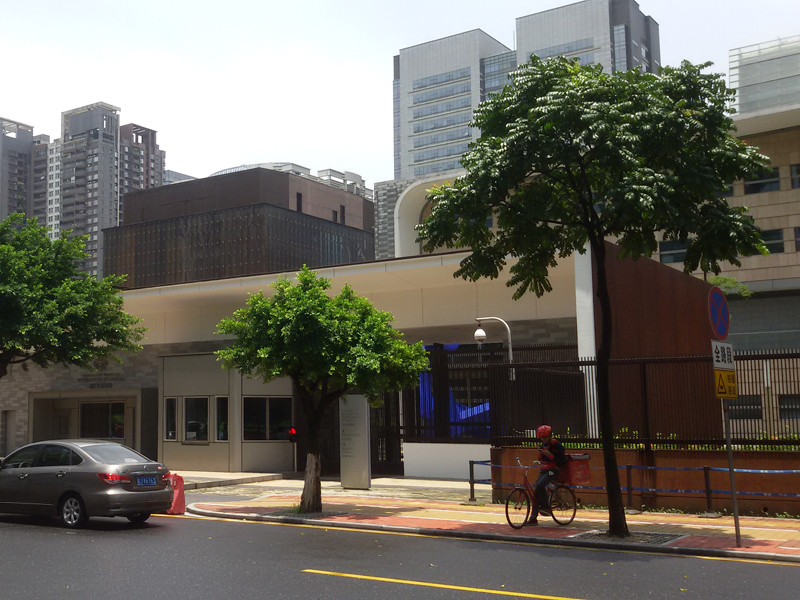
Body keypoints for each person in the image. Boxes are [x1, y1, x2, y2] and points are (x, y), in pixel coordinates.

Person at [530, 424, 567, 524]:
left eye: (545, 438)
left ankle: (546, 507)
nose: (544, 440)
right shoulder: (543, 445)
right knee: (536, 492)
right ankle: (533, 518)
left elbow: (561, 460)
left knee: (540, 485)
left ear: (550, 436)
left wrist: (549, 455)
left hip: (553, 470)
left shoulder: (557, 445)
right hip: (544, 469)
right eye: (542, 438)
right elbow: (541, 459)